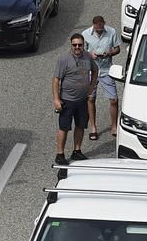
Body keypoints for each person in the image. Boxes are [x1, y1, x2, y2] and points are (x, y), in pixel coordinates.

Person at [52, 33, 98, 166]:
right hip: (67, 100)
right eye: (74, 45)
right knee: (64, 127)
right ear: (71, 45)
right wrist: (56, 99)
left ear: (84, 45)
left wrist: (91, 87)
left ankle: (77, 151)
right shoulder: (63, 59)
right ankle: (60, 154)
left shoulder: (88, 57)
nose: (77, 47)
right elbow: (56, 80)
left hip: (82, 100)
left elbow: (95, 71)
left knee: (80, 126)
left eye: (80, 45)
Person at [81, 16, 121, 140]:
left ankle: (114, 126)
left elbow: (117, 49)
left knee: (113, 99)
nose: (99, 29)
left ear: (104, 24)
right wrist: (90, 54)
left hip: (106, 70)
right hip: (91, 72)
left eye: (101, 27)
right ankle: (93, 127)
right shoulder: (85, 34)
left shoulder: (111, 32)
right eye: (97, 28)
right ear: (93, 25)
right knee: (91, 99)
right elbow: (80, 51)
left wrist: (109, 53)